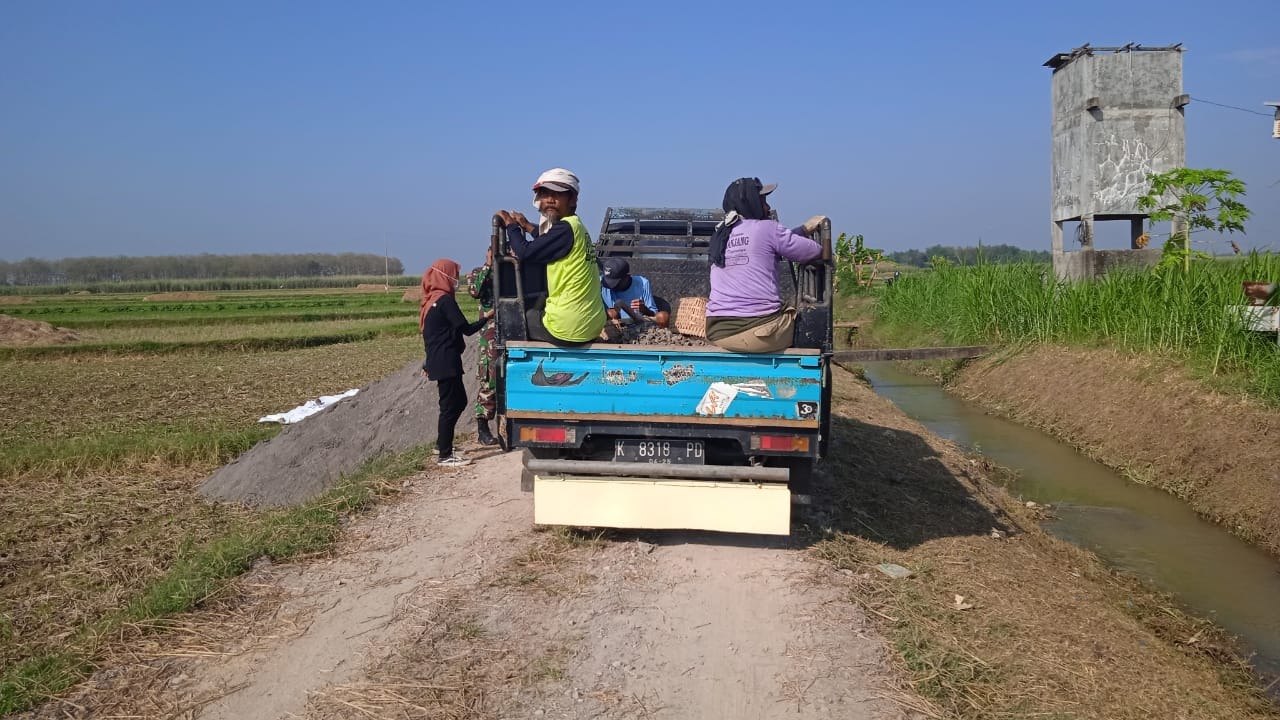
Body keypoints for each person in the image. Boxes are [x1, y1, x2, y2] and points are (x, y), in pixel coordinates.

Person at [704, 178, 827, 353]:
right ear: (751, 204)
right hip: (755, 332)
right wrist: (809, 231)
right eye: (763, 201)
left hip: (717, 332)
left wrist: (802, 230)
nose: (768, 208)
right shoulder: (768, 229)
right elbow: (813, 251)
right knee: (806, 324)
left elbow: (766, 243)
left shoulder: (721, 234)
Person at [494, 168, 606, 345]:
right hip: (590, 324)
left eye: (557, 195)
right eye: (545, 195)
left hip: (569, 326)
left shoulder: (565, 228)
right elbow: (546, 242)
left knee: (522, 317)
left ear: (572, 199)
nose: (550, 200)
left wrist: (511, 226)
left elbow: (525, 253)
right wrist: (527, 227)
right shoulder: (575, 226)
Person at [420, 259, 490, 467]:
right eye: (454, 275)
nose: (456, 280)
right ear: (445, 276)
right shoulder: (445, 301)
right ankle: (445, 454)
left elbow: (433, 335)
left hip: (439, 359)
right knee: (451, 406)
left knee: (455, 402)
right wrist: (487, 317)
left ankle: (442, 444)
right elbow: (465, 329)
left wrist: (427, 363)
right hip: (446, 360)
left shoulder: (430, 301)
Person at [465, 248, 500, 446]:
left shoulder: (512, 270)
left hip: (511, 332)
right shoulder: (480, 272)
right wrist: (488, 265)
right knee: (489, 382)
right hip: (490, 337)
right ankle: (483, 428)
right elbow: (474, 291)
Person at [600, 257, 669, 328]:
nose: (611, 287)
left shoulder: (642, 283)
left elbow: (654, 314)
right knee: (612, 313)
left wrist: (644, 309)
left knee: (663, 316)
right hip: (615, 327)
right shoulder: (600, 284)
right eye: (608, 282)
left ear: (627, 277)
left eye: (615, 284)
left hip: (639, 325)